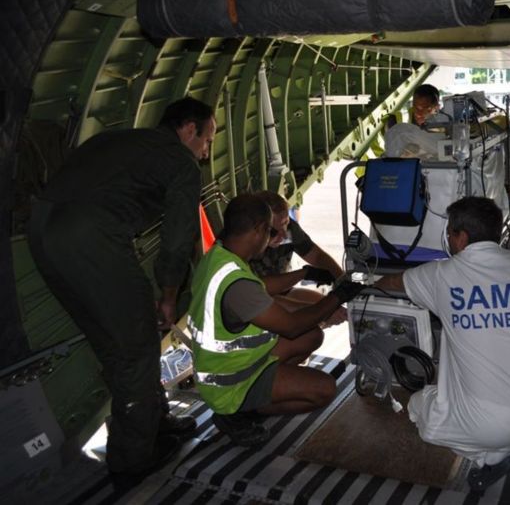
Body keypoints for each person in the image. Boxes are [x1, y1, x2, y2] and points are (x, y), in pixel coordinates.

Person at [27, 97, 216, 481]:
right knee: (136, 344)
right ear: (189, 129)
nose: (206, 151)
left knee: (114, 342)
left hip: (42, 233)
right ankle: (133, 459)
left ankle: (154, 423)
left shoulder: (118, 140)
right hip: (89, 236)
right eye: (207, 140)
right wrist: (168, 293)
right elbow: (178, 236)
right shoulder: (180, 161)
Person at [374, 197, 510, 484]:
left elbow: (393, 283)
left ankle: (491, 457)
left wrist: (367, 285)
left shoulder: (441, 274)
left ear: (460, 237)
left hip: (484, 424)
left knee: (419, 406)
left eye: (449, 231)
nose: (448, 237)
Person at [187, 194, 363, 445]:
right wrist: (336, 297)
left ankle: (273, 386)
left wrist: (304, 272)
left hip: (228, 364)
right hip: (230, 382)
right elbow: (291, 327)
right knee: (324, 389)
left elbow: (263, 286)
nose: (275, 238)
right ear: (259, 230)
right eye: (270, 231)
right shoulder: (237, 284)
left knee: (313, 335)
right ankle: (238, 412)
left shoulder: (220, 256)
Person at [250, 190, 344, 307]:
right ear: (257, 230)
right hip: (255, 300)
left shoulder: (286, 228)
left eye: (286, 223)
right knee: (316, 315)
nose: (284, 235)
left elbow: (317, 256)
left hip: (283, 292)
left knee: (332, 310)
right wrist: (304, 274)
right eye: (274, 232)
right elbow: (259, 289)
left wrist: (342, 280)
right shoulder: (245, 246)